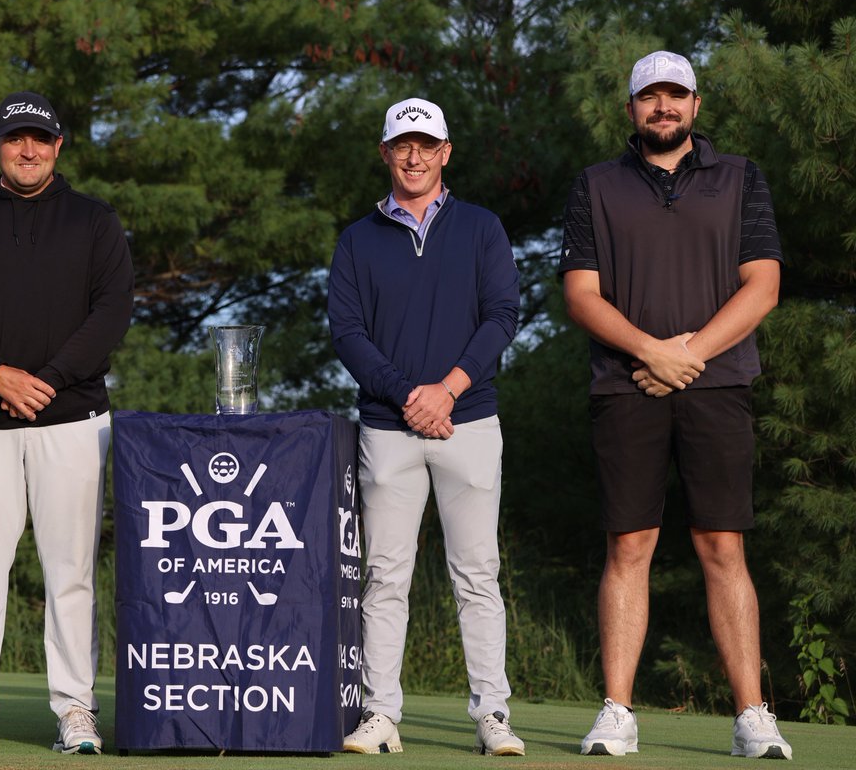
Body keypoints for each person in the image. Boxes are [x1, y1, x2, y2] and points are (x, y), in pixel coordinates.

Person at [559, 50, 792, 760]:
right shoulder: (595, 185)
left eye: (676, 95)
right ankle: (617, 713)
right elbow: (580, 294)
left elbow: (763, 285)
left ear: (696, 105)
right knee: (629, 546)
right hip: (626, 388)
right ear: (631, 108)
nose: (663, 107)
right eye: (649, 96)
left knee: (722, 545)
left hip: (716, 386)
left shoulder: (741, 177)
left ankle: (753, 715)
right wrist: (648, 354)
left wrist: (683, 356)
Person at [0, 91, 133, 755]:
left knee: (69, 572)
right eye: (15, 139)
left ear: (59, 145)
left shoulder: (95, 222)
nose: (28, 149)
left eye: (40, 138)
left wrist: (46, 381)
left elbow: (112, 313)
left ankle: (75, 709)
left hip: (71, 420)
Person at [328, 97, 525, 756]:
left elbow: (501, 315)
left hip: (468, 421)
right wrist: (410, 394)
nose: (413, 156)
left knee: (477, 574)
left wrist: (446, 390)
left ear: (445, 152)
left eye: (426, 144)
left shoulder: (481, 227)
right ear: (385, 153)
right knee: (385, 577)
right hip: (389, 428)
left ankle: (492, 714)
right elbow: (348, 333)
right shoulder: (357, 239)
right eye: (401, 145)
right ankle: (381, 713)